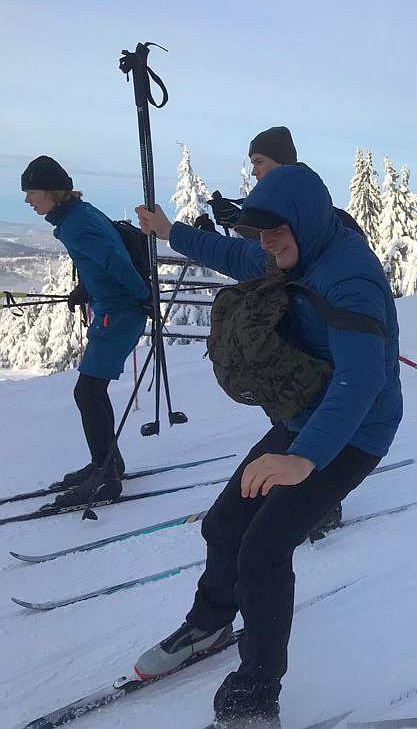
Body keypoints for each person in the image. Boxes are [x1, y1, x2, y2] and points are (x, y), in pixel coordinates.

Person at [134, 163, 402, 728]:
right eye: (261, 233)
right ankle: (209, 626)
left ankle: (256, 694)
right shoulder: (290, 247)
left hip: (356, 428)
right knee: (223, 525)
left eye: (275, 232)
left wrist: (303, 458)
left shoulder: (350, 276)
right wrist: (170, 232)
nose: (267, 244)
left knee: (263, 551)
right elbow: (233, 254)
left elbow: (363, 379)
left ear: (304, 222)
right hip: (305, 412)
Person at [21, 156, 149, 507]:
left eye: (31, 192)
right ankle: (107, 463)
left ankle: (105, 474)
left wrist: (143, 297)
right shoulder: (77, 215)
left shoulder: (77, 224)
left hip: (120, 312)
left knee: (88, 392)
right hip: (114, 308)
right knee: (92, 391)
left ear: (51, 191)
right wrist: (85, 288)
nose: (28, 200)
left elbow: (116, 261)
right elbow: (102, 258)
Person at [208, 126, 365, 239]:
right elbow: (253, 260)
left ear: (281, 162)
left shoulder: (335, 220)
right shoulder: (319, 213)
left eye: (259, 162)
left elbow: (278, 262)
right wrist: (235, 224)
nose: (254, 171)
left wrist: (246, 221)